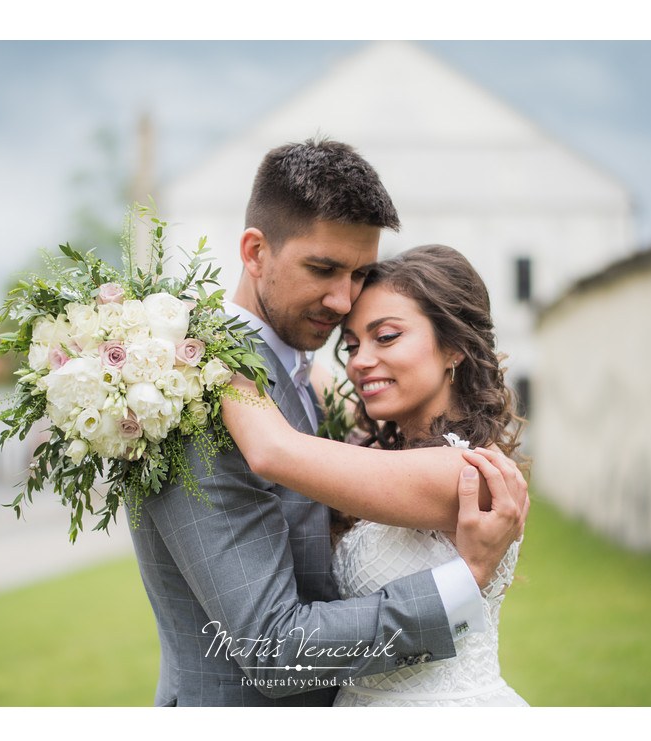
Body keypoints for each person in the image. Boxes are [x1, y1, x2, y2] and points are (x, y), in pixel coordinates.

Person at [125, 138, 527, 706]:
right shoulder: (192, 385)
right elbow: (270, 643)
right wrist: (458, 587)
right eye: (323, 268)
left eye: (359, 274)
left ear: (454, 348)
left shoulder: (464, 471)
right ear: (255, 252)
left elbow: (279, 455)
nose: (342, 302)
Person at [223, 244, 529, 706]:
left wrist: (204, 343)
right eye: (351, 345)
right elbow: (305, 378)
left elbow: (271, 450)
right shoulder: (385, 449)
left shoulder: (466, 476)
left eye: (385, 337)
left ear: (455, 347)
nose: (360, 361)